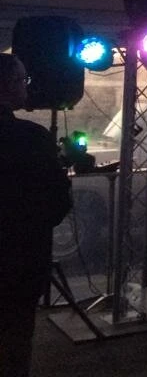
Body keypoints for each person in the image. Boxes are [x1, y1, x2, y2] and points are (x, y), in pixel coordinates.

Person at [0, 54, 71, 377]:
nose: (27, 87)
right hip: (18, 261)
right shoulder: (31, 138)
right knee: (14, 344)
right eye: (24, 80)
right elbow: (58, 201)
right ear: (10, 87)